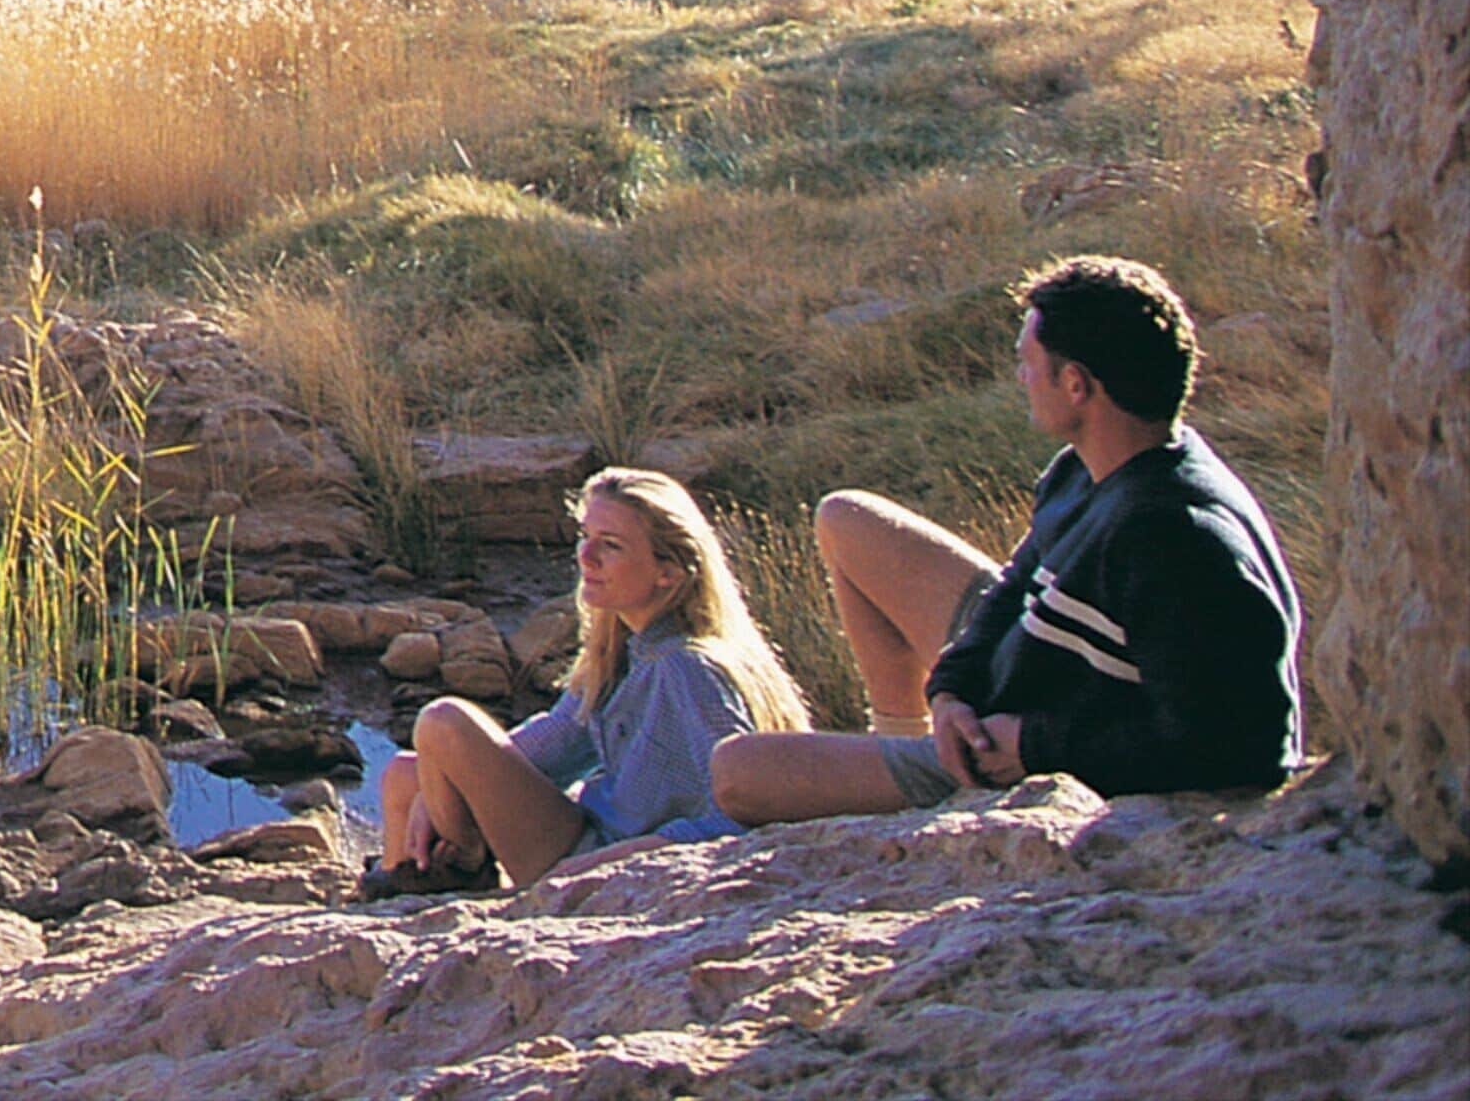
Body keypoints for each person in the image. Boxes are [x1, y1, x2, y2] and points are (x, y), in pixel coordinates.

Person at [710, 255, 1305, 828]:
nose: (1020, 376)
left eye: (1028, 361)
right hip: (1026, 673)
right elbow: (1014, 586)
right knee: (849, 520)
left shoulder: (1176, 537)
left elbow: (1242, 748)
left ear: (1075, 384)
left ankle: (917, 786)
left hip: (1043, 742)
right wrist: (950, 691)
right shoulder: (1088, 467)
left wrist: (1039, 745)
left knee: (738, 772)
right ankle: (905, 746)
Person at [364, 467, 808, 895]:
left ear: (668, 572)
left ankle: (457, 870)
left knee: (443, 720)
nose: (586, 557)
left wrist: (613, 863)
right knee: (407, 773)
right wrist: (441, 778)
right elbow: (545, 749)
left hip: (604, 858)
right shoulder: (622, 655)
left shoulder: (686, 668)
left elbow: (744, 812)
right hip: (585, 836)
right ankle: (406, 894)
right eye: (585, 537)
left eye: (610, 545)